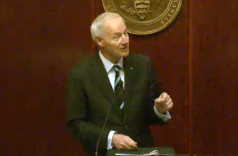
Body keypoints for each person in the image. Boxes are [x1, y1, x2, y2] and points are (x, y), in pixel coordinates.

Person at [65, 12, 173, 156]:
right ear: (100, 41)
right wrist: (111, 138)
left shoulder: (142, 65)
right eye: (117, 37)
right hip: (102, 152)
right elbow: (76, 124)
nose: (125, 41)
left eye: (125, 33)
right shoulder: (80, 74)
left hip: (140, 151)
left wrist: (159, 109)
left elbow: (148, 114)